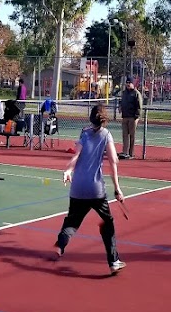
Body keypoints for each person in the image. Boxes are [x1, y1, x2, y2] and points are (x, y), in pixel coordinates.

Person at [53, 104, 126, 275]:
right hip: (95, 189)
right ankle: (113, 261)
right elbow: (113, 161)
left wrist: (68, 171)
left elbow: (76, 156)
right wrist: (117, 188)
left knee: (72, 221)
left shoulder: (84, 133)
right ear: (104, 119)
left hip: (78, 187)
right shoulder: (106, 135)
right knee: (107, 222)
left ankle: (61, 243)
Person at [117, 76, 142, 159]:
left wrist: (136, 117)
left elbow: (139, 106)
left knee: (132, 135)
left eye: (129, 83)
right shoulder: (124, 93)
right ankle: (125, 152)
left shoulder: (136, 93)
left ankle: (131, 153)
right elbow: (122, 102)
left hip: (132, 117)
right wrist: (120, 107)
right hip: (125, 116)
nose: (128, 84)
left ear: (133, 84)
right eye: (127, 82)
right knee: (124, 135)